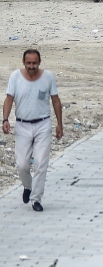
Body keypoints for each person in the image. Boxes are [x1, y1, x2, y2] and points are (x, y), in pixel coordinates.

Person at [2, 48, 63, 212]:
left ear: (39, 62)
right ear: (24, 62)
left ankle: (36, 199)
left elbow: (56, 101)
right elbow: (9, 99)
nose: (31, 66)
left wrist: (59, 124)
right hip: (22, 125)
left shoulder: (48, 77)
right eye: (28, 63)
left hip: (43, 124)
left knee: (41, 163)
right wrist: (5, 119)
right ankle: (28, 186)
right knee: (21, 165)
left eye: (34, 63)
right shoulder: (15, 77)